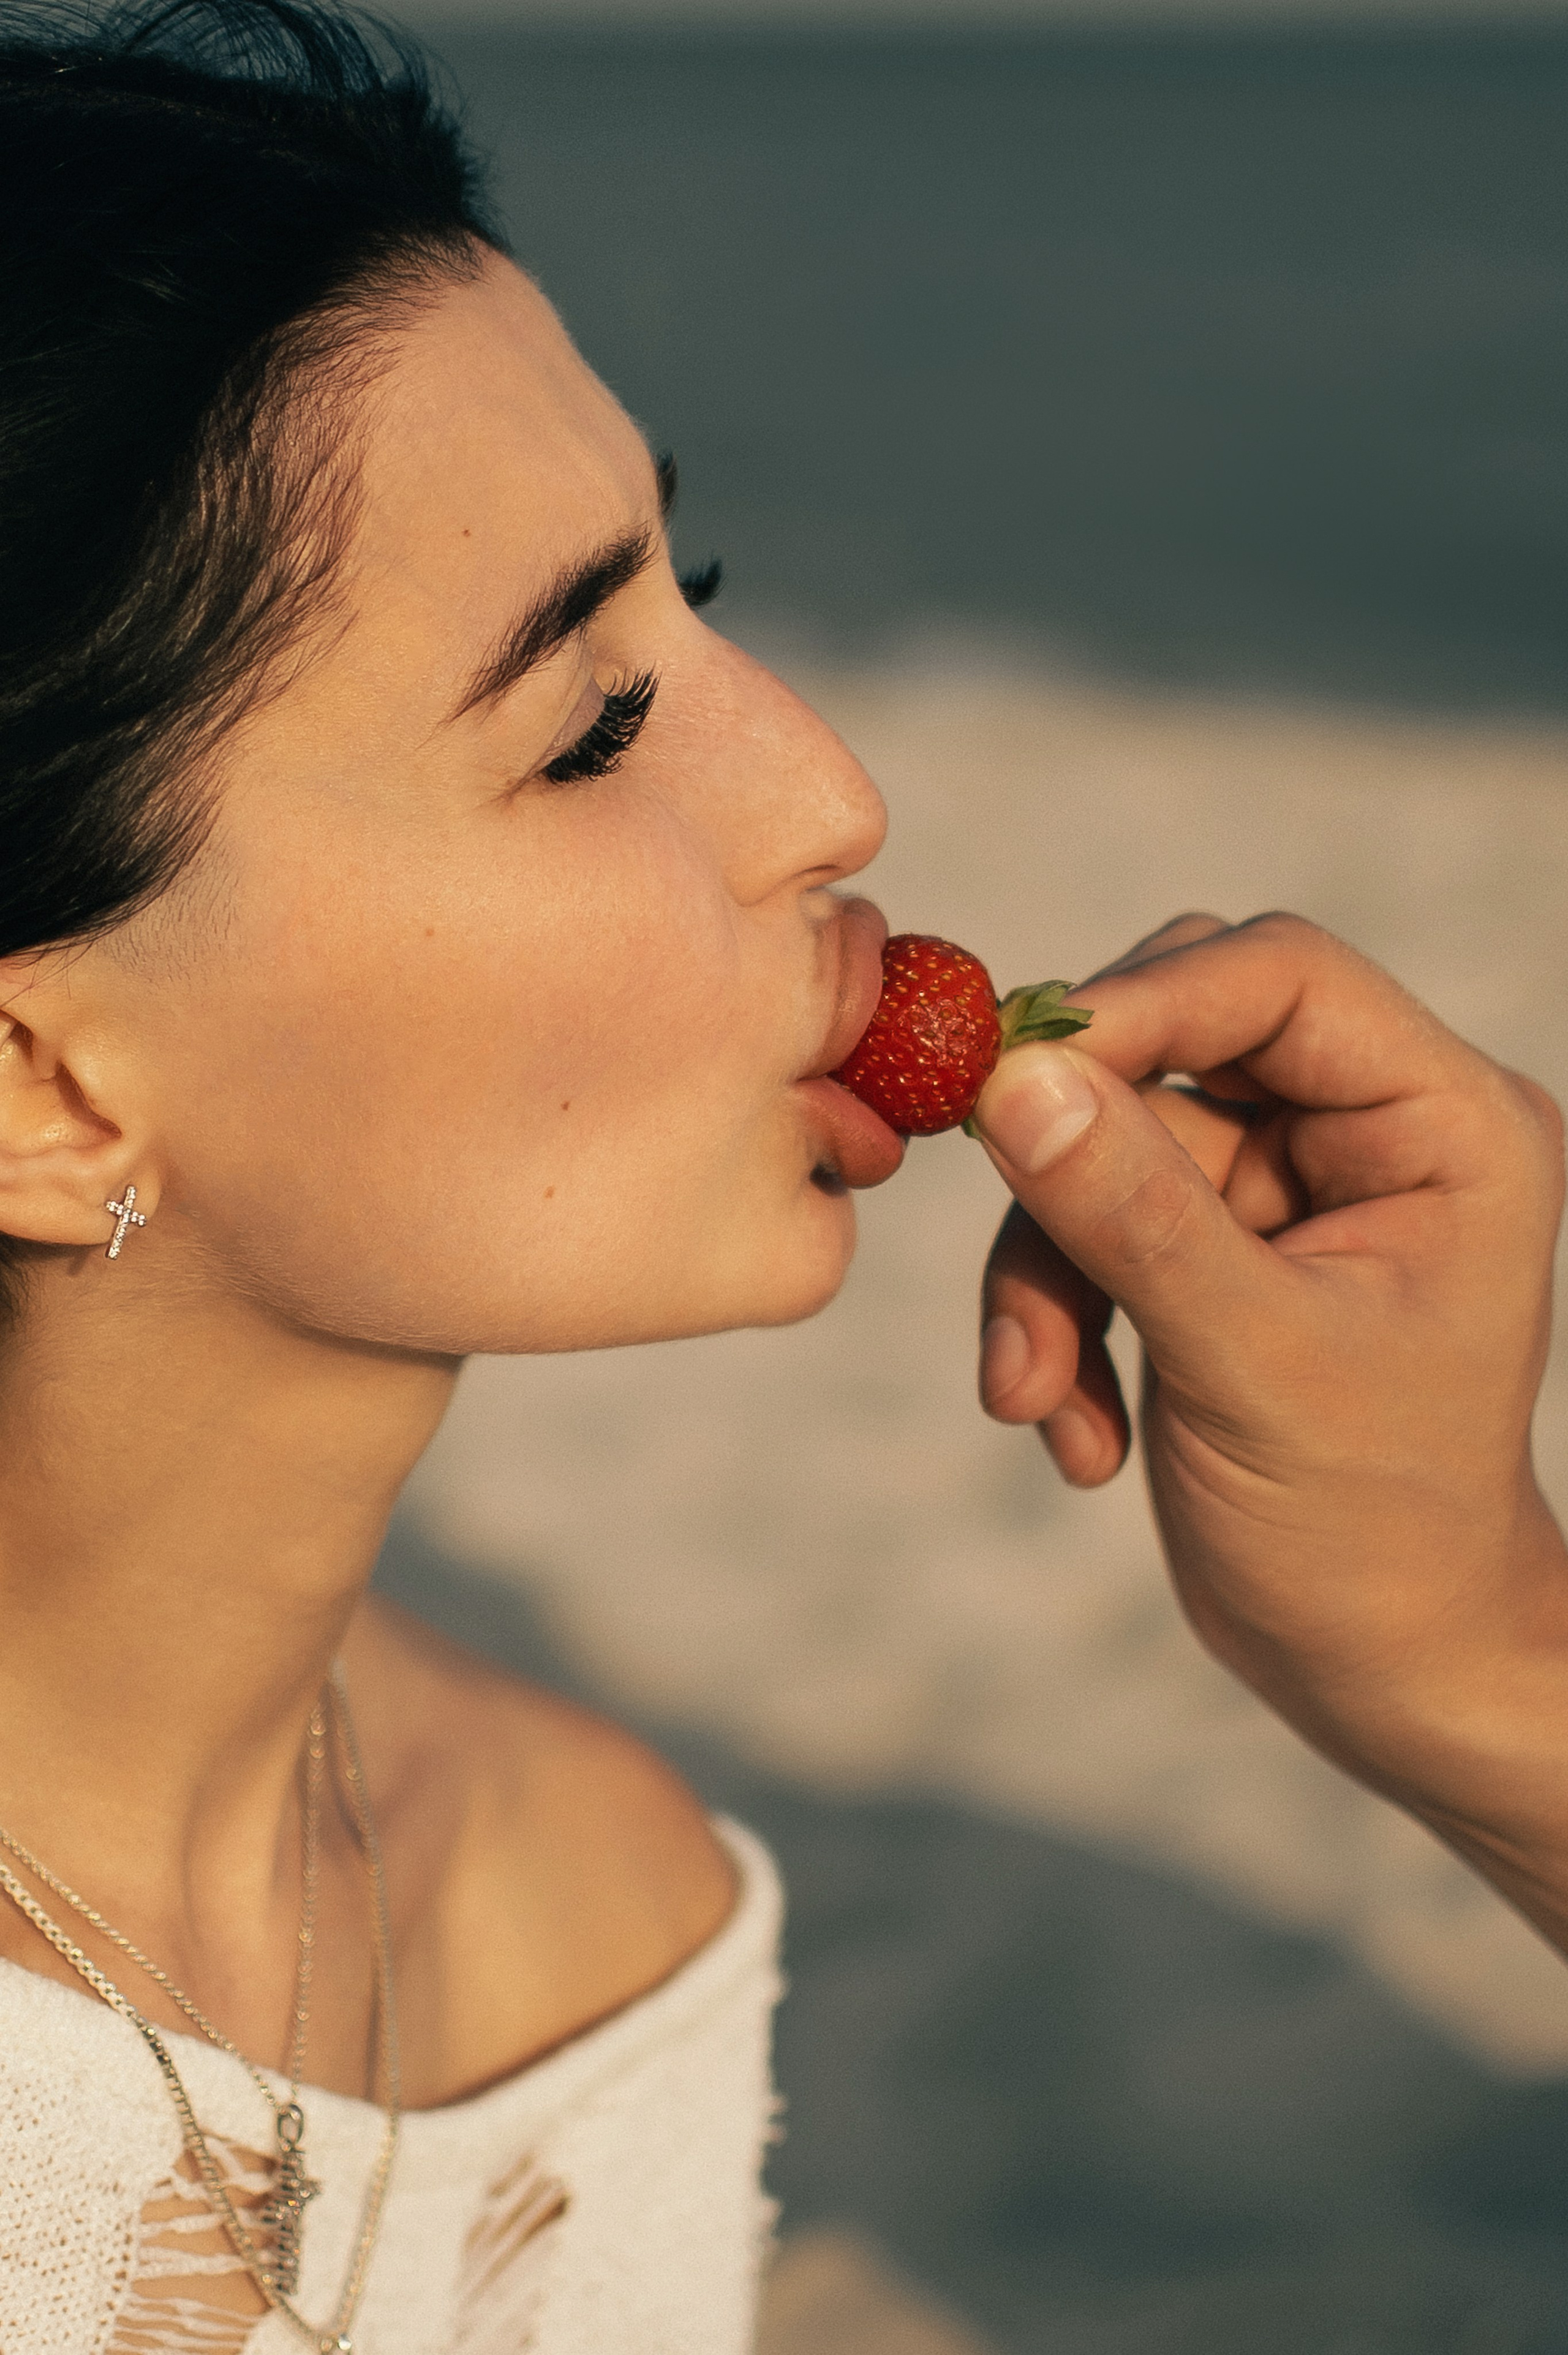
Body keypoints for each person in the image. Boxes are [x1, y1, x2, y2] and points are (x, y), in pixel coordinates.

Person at [0, 0, 1561, 2348]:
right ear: (45, 1083)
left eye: (694, 599)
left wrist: (1462, 1634)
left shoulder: (595, 1920)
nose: (830, 792)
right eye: (591, 726)